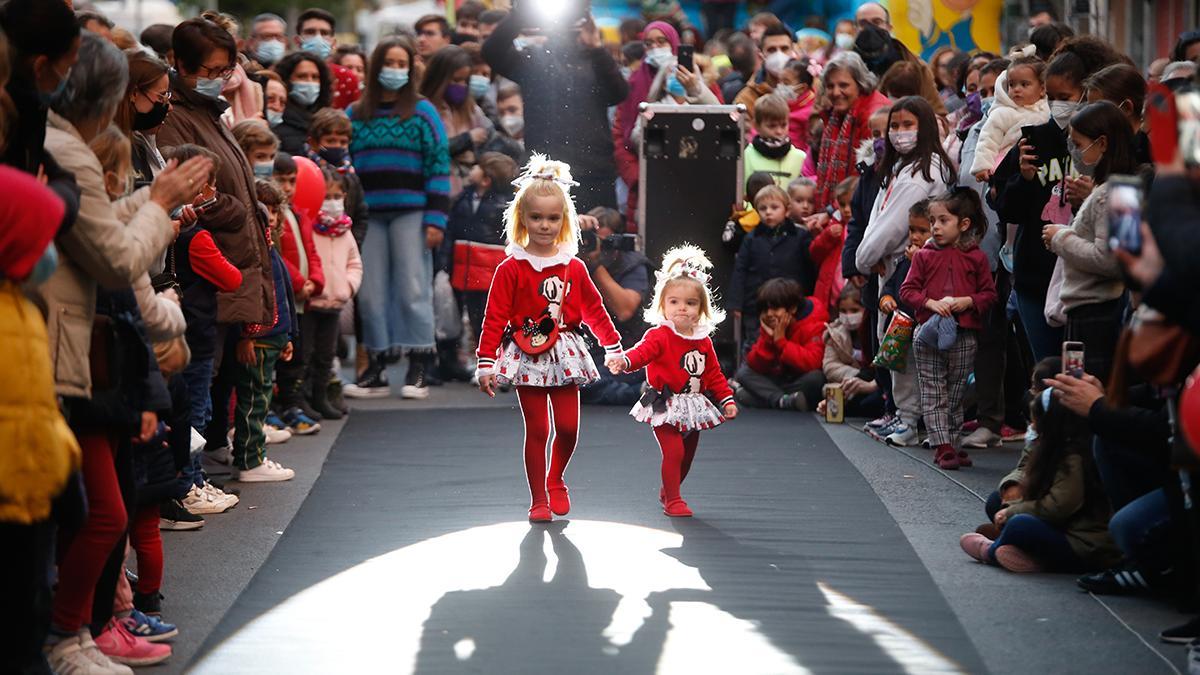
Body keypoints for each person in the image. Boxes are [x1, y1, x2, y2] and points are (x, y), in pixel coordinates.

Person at [156, 18, 285, 477]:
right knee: (197, 381)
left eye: (227, 68)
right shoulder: (173, 116)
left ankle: (198, 471)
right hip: (205, 269)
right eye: (210, 69)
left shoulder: (210, 110)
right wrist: (225, 205)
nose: (220, 77)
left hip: (233, 262)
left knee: (215, 378)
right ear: (179, 64)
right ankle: (185, 480)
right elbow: (194, 191)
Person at [474, 155, 624, 522]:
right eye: (537, 217)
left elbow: (594, 308)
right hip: (527, 353)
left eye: (553, 218)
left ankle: (556, 477)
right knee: (538, 429)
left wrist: (613, 346)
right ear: (522, 218)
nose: (544, 225)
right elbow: (494, 316)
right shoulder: (511, 267)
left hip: (566, 353)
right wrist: (485, 361)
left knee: (569, 429)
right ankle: (538, 498)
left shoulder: (573, 265)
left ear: (565, 221)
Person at [991, 39, 1122, 362]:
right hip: (1036, 276)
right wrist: (1022, 179)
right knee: (1046, 366)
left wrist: (1092, 196)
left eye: (1066, 98)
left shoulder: (1107, 147)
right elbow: (1006, 209)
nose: (1059, 106)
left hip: (1089, 284)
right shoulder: (1033, 139)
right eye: (1052, 98)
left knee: (1080, 372)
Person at [345, 36, 451, 399]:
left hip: (413, 212)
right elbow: (344, 167)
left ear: (410, 69)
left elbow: (439, 164)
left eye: (400, 63)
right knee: (371, 294)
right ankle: (375, 365)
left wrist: (436, 218)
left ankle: (420, 362)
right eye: (387, 63)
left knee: (412, 289)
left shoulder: (423, 112)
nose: (394, 70)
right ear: (377, 67)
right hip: (368, 214)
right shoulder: (356, 114)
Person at [609, 245, 736, 517]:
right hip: (664, 402)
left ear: (701, 308)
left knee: (687, 457)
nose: (682, 309)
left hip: (694, 404)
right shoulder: (660, 335)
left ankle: (670, 489)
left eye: (690, 304)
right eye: (674, 302)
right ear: (663, 305)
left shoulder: (702, 340)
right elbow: (641, 353)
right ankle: (674, 500)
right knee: (674, 451)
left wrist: (726, 399)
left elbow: (713, 373)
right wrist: (624, 360)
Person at [483, 6, 629, 213]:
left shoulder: (595, 59)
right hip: (546, 172)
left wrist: (597, 48)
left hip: (594, 171)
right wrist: (522, 13)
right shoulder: (533, 60)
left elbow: (619, 93)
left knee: (597, 240)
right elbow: (492, 51)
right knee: (544, 240)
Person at [960, 387, 1120, 573]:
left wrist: (1014, 511)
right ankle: (1019, 548)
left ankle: (992, 551)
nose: (1032, 426)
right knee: (996, 500)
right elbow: (1024, 468)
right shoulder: (1048, 445)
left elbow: (1058, 506)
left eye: (1035, 420)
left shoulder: (1074, 459)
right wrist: (1012, 489)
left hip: (1081, 542)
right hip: (1059, 523)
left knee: (1019, 525)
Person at [901, 188, 998, 470]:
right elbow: (908, 290)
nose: (936, 227)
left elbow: (989, 295)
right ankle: (942, 445)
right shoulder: (923, 256)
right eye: (933, 221)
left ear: (963, 224)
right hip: (929, 333)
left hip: (964, 332)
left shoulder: (976, 258)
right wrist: (929, 303)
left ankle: (952, 443)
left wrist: (968, 301)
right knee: (933, 390)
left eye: (943, 221)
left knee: (956, 390)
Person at [1042, 101, 1139, 382]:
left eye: (1078, 143)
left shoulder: (1114, 192)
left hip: (1098, 316)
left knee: (1088, 394)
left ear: (1103, 143)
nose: (1074, 150)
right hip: (1089, 311)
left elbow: (1113, 260)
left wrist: (1061, 238)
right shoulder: (1115, 188)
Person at [0, 0, 81, 236]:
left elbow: (63, 180)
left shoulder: (32, 110)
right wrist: (35, 200)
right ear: (41, 66)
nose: (68, 78)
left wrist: (40, 199)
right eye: (67, 67)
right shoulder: (17, 114)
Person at [577, 206, 653, 406]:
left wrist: (594, 266)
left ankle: (638, 391)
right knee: (572, 378)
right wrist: (566, 224)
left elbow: (624, 310)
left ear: (617, 241)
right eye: (590, 239)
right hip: (591, 352)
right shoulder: (571, 262)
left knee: (586, 381)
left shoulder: (633, 264)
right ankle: (641, 392)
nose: (596, 247)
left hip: (629, 352)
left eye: (604, 242)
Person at [305, 167, 363, 420]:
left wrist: (347, 287)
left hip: (334, 304)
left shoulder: (344, 231)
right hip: (310, 303)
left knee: (326, 355)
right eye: (327, 196)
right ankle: (301, 399)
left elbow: (354, 263)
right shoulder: (308, 227)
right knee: (305, 353)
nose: (333, 202)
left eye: (338, 196)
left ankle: (321, 396)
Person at [728, 185, 817, 350]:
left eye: (774, 207)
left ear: (787, 210)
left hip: (791, 303)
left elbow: (810, 268)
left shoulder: (800, 236)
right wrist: (736, 303)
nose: (768, 212)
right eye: (762, 208)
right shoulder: (751, 238)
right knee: (756, 344)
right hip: (756, 304)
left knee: (791, 342)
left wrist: (811, 296)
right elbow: (740, 269)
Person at [448, 152, 518, 340]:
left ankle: (495, 355)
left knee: (491, 316)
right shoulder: (464, 198)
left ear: (486, 179)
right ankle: (481, 353)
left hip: (489, 270)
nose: (472, 168)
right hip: (466, 270)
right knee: (473, 315)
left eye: (477, 166)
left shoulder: (503, 205)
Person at [733, 276, 827, 411]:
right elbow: (754, 364)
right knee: (744, 373)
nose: (769, 314)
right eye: (765, 310)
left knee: (816, 378)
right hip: (776, 379)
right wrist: (768, 339)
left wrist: (781, 342)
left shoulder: (814, 323)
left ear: (793, 308)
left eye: (775, 308)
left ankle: (768, 398)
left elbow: (813, 362)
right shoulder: (770, 324)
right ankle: (783, 400)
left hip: (798, 380)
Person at [813, 51, 890, 211]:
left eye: (843, 85)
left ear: (860, 84)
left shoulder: (873, 115)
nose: (835, 92)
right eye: (830, 86)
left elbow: (864, 174)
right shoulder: (837, 113)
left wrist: (832, 212)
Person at [420, 45, 493, 199]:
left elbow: (491, 135)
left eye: (465, 81)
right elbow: (428, 151)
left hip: (467, 196)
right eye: (456, 80)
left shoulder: (471, 110)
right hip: (435, 193)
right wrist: (467, 139)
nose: (461, 86)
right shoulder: (423, 110)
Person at [971, 56, 1049, 182]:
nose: (1016, 89)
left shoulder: (1048, 110)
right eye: (1012, 84)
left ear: (1042, 88)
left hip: (1043, 169)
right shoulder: (1002, 113)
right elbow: (987, 140)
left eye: (1024, 84)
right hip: (1006, 169)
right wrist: (982, 166)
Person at [820, 284, 883, 418]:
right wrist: (856, 379)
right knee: (826, 387)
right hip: (852, 381)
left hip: (876, 382)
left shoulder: (874, 331)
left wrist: (867, 380)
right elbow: (830, 366)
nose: (849, 316)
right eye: (843, 311)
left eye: (854, 310)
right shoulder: (835, 332)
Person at [272, 52, 333, 156]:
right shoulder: (276, 120)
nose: (310, 82)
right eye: (302, 76)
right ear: (286, 80)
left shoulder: (328, 120)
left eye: (315, 77)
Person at [734, 23, 798, 116]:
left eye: (784, 48)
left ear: (793, 51)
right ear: (761, 54)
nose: (779, 55)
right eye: (771, 50)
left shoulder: (810, 88)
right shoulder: (747, 98)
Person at [743, 94, 806, 189]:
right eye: (772, 126)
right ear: (756, 126)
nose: (779, 131)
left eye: (783, 125)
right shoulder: (745, 157)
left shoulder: (800, 158)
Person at [780, 58, 817, 153]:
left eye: (786, 83)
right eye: (780, 82)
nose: (781, 86)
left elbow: (810, 146)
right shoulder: (784, 102)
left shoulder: (811, 112)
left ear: (802, 88)